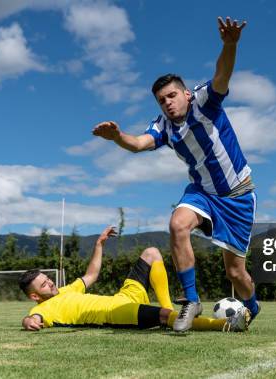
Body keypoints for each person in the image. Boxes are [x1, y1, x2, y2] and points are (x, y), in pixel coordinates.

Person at [92, 16, 260, 332]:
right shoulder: (163, 126)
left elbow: (222, 74)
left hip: (238, 195)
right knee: (177, 223)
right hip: (202, 192)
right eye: (161, 100)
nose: (168, 103)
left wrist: (230, 45)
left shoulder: (204, 102)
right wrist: (117, 137)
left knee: (236, 274)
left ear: (185, 94)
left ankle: (252, 306)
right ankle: (191, 301)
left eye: (172, 96)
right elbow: (139, 143)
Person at [19, 226, 249, 332]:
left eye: (47, 278)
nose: (49, 282)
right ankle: (226, 324)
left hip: (124, 296)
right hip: (113, 314)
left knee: (151, 252)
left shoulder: (67, 288)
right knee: (163, 316)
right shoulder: (45, 309)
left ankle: (169, 308)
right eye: (43, 284)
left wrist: (99, 245)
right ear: (34, 295)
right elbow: (33, 318)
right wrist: (28, 322)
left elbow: (91, 274)